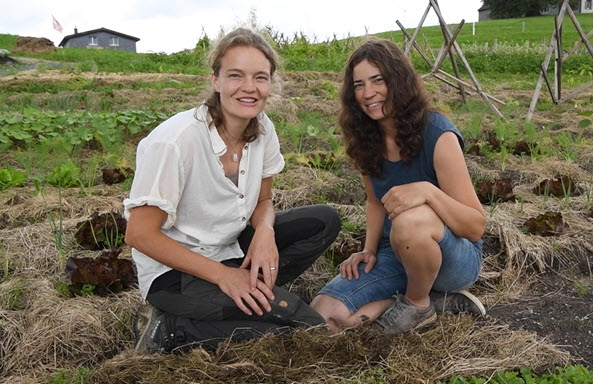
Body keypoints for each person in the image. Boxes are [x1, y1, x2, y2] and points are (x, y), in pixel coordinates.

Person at [123, 27, 341, 353]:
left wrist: (265, 232)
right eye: (236, 75)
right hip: (174, 275)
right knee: (304, 327)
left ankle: (245, 296)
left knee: (325, 221)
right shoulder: (175, 142)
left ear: (271, 83)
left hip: (229, 249)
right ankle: (169, 328)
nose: (249, 88)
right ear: (216, 80)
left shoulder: (264, 130)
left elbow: (264, 200)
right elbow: (140, 235)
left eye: (260, 77)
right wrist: (224, 277)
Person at [310, 38, 486, 335]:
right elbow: (375, 201)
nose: (368, 93)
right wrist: (368, 249)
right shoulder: (366, 139)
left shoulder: (437, 133)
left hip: (453, 257)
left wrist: (428, 192)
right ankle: (435, 301)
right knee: (327, 316)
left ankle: (418, 304)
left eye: (378, 80)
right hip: (398, 251)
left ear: (398, 80)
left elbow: (475, 226)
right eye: (359, 85)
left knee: (409, 221)